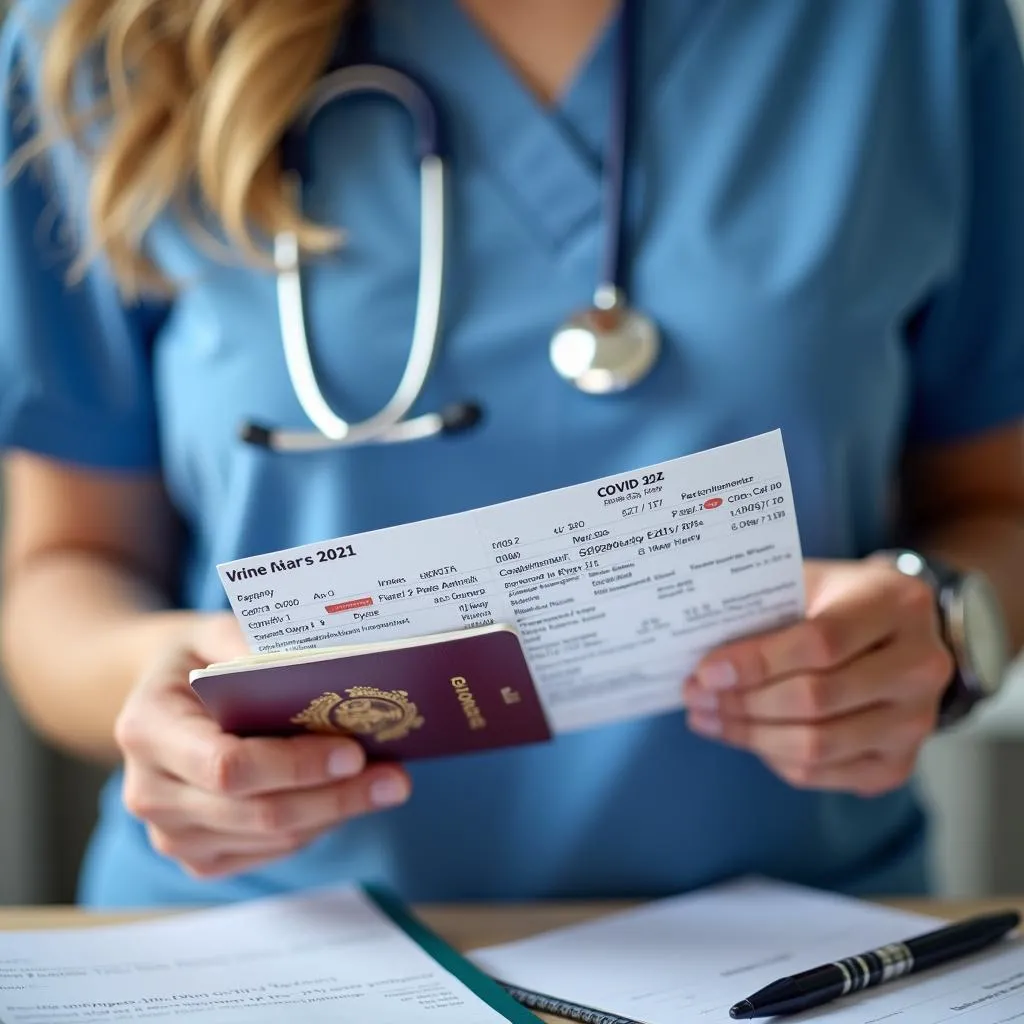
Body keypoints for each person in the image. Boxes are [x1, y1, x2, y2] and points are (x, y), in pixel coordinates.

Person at [1, 0, 1022, 910]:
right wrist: (169, 697)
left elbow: (997, 502)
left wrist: (943, 627)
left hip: (788, 943)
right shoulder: (102, 36)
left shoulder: (908, 27)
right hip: (270, 940)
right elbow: (60, 569)